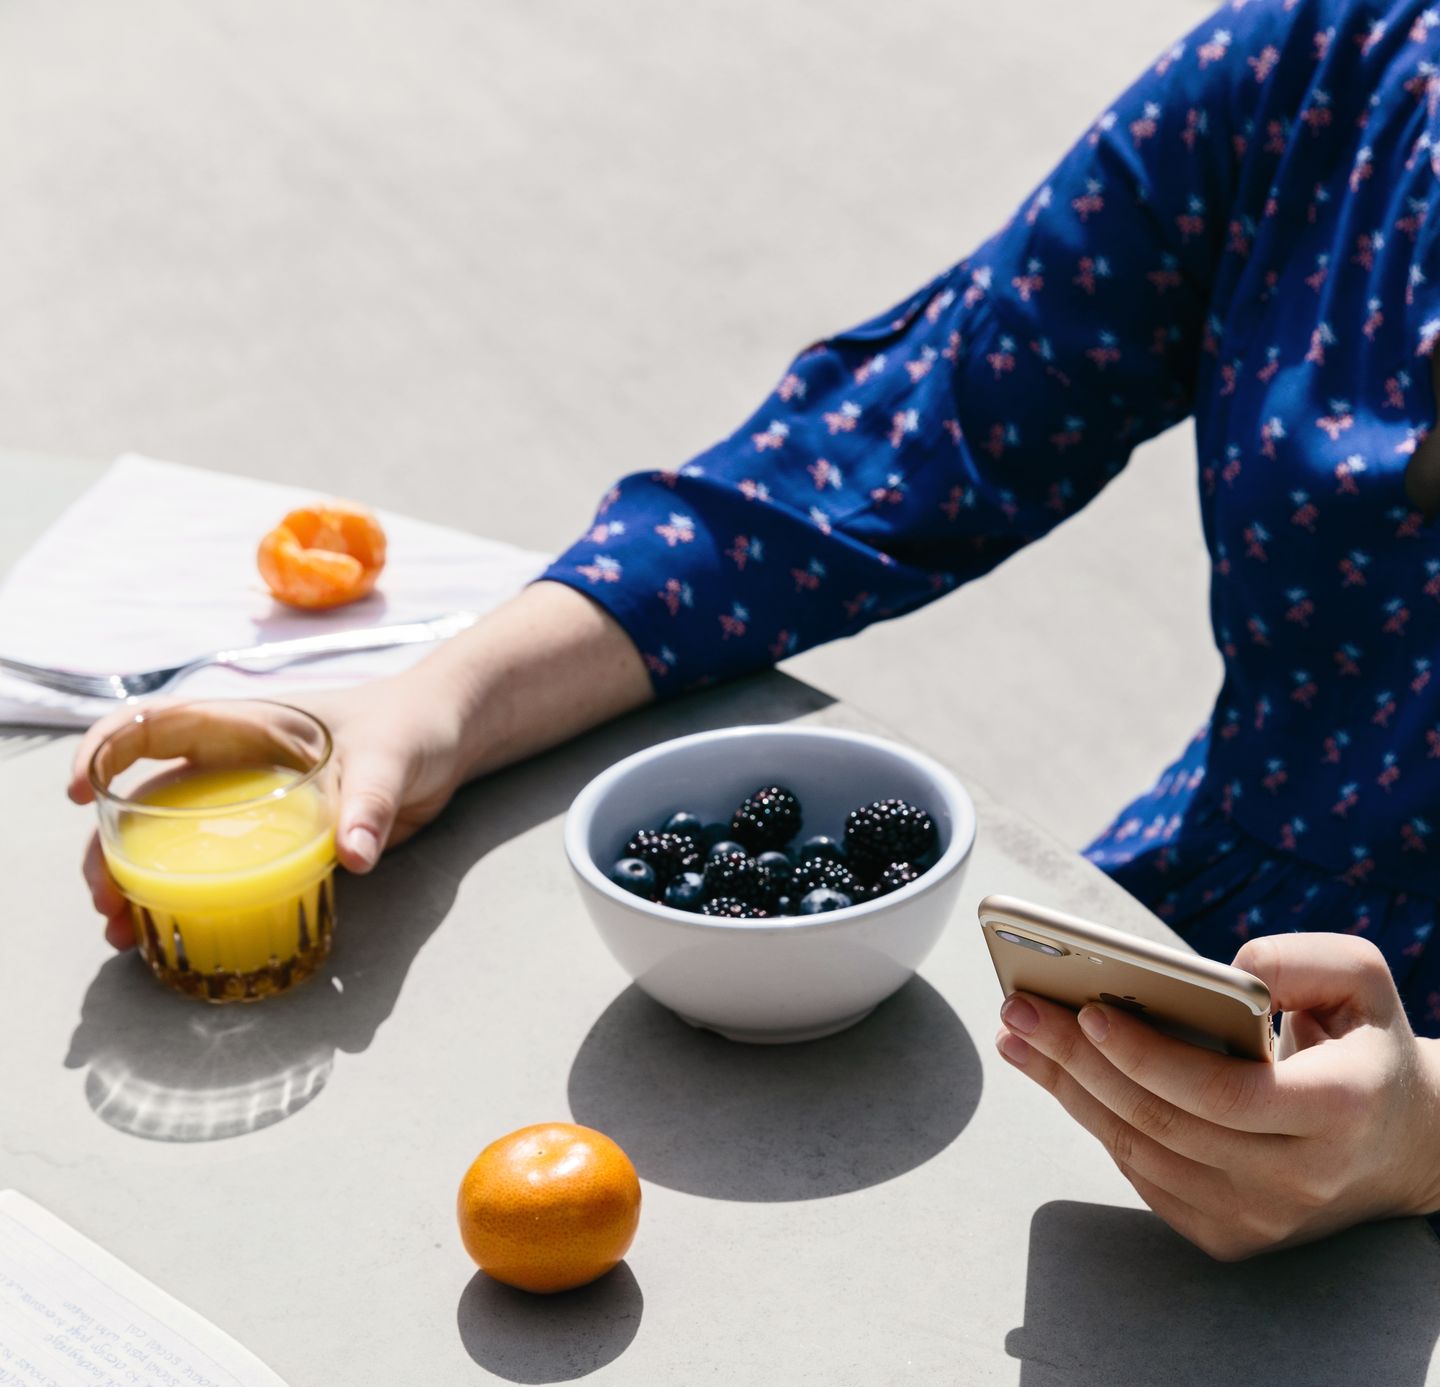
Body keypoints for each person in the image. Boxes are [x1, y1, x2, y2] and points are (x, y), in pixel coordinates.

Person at [71, 0, 1440, 1259]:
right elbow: (900, 435)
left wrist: (1417, 1132)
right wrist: (435, 705)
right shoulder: (1339, 61)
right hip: (1200, 946)